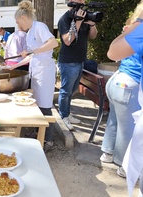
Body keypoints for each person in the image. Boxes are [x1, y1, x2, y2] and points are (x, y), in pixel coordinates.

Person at [7, 1, 58, 152]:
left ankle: (48, 140)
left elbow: (53, 43)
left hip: (45, 72)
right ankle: (38, 133)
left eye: (18, 22)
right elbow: (30, 56)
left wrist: (33, 52)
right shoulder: (29, 32)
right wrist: (13, 66)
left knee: (45, 106)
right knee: (37, 105)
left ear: (23, 18)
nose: (18, 25)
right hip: (36, 71)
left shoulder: (40, 26)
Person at [100, 3, 143, 178]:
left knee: (115, 120)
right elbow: (112, 54)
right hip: (129, 85)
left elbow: (114, 51)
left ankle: (108, 153)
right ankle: (124, 166)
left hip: (117, 81)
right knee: (129, 129)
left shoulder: (132, 30)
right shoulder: (139, 31)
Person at [57, 0, 98, 131]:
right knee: (65, 91)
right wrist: (78, 22)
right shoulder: (65, 19)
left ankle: (67, 114)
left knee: (72, 91)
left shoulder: (85, 17)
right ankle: (63, 116)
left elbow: (93, 36)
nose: (82, 2)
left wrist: (92, 25)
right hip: (68, 62)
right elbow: (68, 41)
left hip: (80, 61)